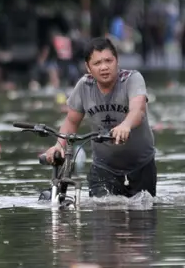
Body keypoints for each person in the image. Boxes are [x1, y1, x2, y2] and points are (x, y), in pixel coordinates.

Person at [43, 37, 156, 198]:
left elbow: (138, 110)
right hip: (104, 165)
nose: (104, 67)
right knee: (103, 212)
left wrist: (126, 125)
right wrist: (58, 145)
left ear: (117, 61)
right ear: (88, 67)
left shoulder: (132, 79)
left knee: (143, 214)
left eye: (108, 61)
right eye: (97, 63)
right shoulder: (84, 86)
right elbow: (71, 121)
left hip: (141, 163)